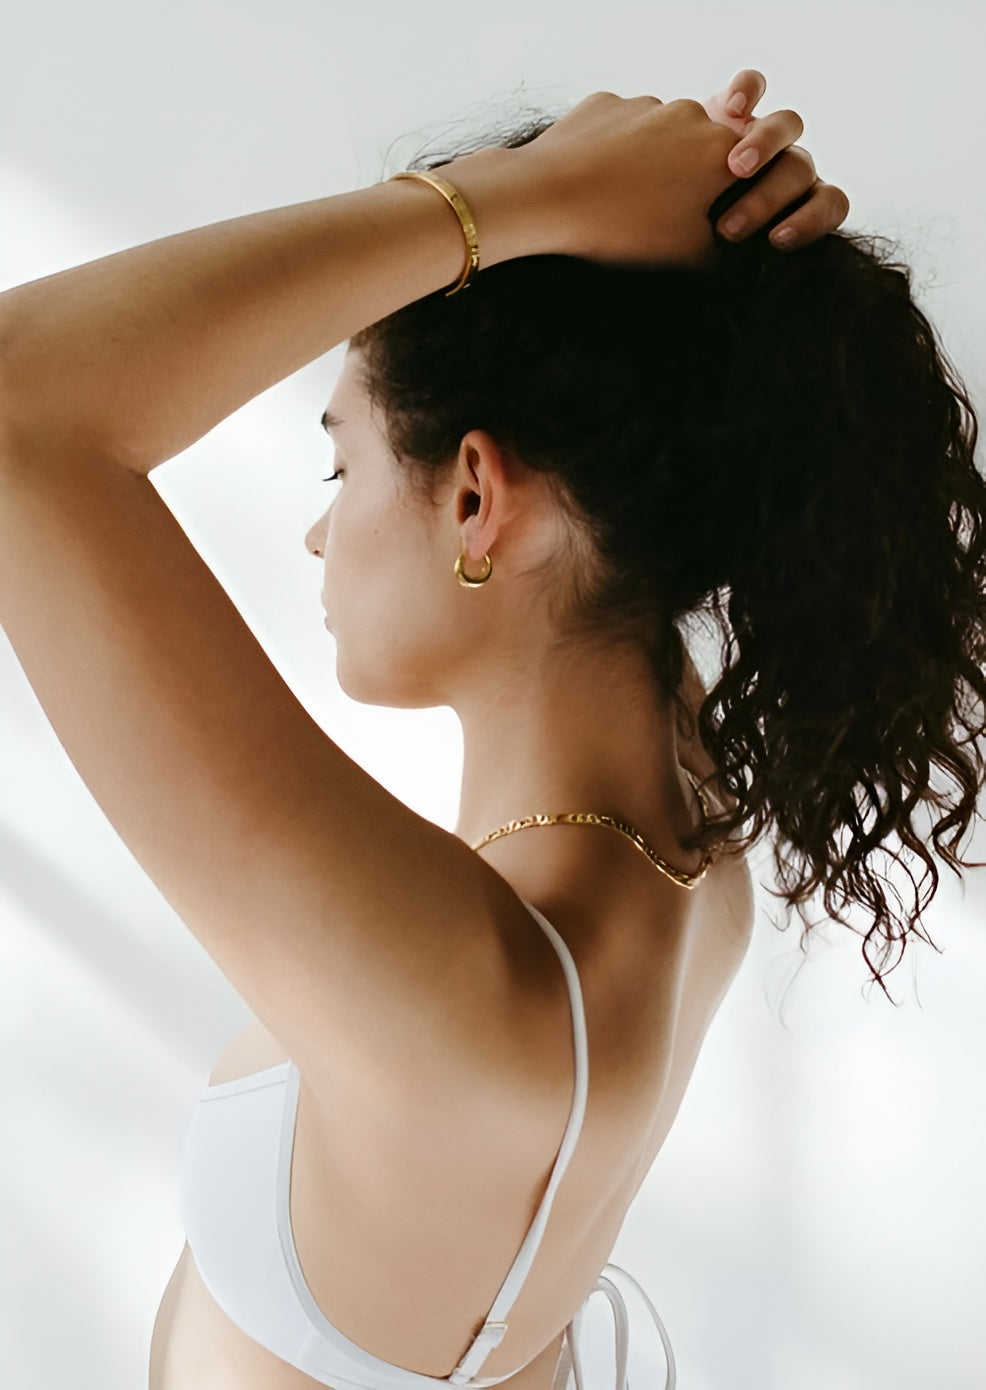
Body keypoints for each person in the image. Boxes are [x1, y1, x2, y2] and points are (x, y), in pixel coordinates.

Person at [0, 64, 982, 1390]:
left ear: (476, 499)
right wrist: (717, 242)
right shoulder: (678, 833)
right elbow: (698, 411)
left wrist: (518, 196)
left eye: (341, 462)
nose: (316, 530)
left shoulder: (465, 1000)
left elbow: (17, 398)